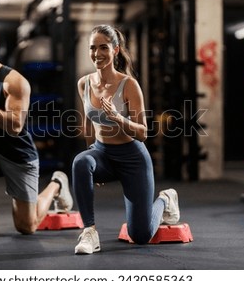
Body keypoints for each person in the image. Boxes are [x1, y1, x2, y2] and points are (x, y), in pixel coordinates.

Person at [0, 24, 73, 238]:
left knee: (27, 227)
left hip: (18, 156)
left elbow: (15, 126)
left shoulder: (14, 82)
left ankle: (57, 183)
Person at [72, 25, 180, 254]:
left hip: (132, 158)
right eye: (93, 48)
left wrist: (117, 117)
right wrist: (92, 163)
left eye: (103, 47)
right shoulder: (84, 83)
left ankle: (165, 200)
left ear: (116, 50)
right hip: (102, 154)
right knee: (81, 162)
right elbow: (88, 125)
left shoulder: (129, 85)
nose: (97, 53)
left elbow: (143, 133)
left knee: (140, 235)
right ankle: (89, 231)